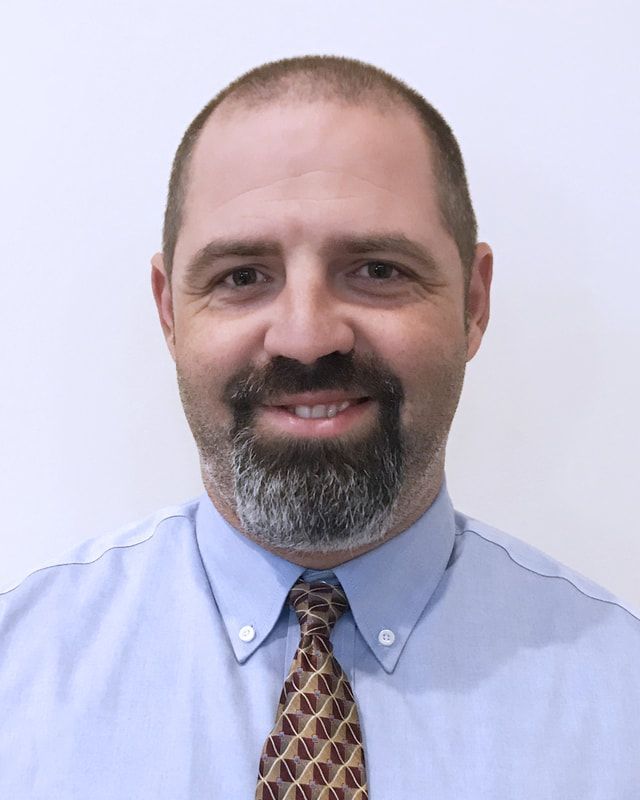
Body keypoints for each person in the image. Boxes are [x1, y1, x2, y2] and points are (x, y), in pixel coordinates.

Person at [1, 55, 638, 799]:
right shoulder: (19, 679)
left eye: (375, 269)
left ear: (472, 302)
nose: (306, 337)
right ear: (170, 312)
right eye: (242, 276)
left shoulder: (620, 699)